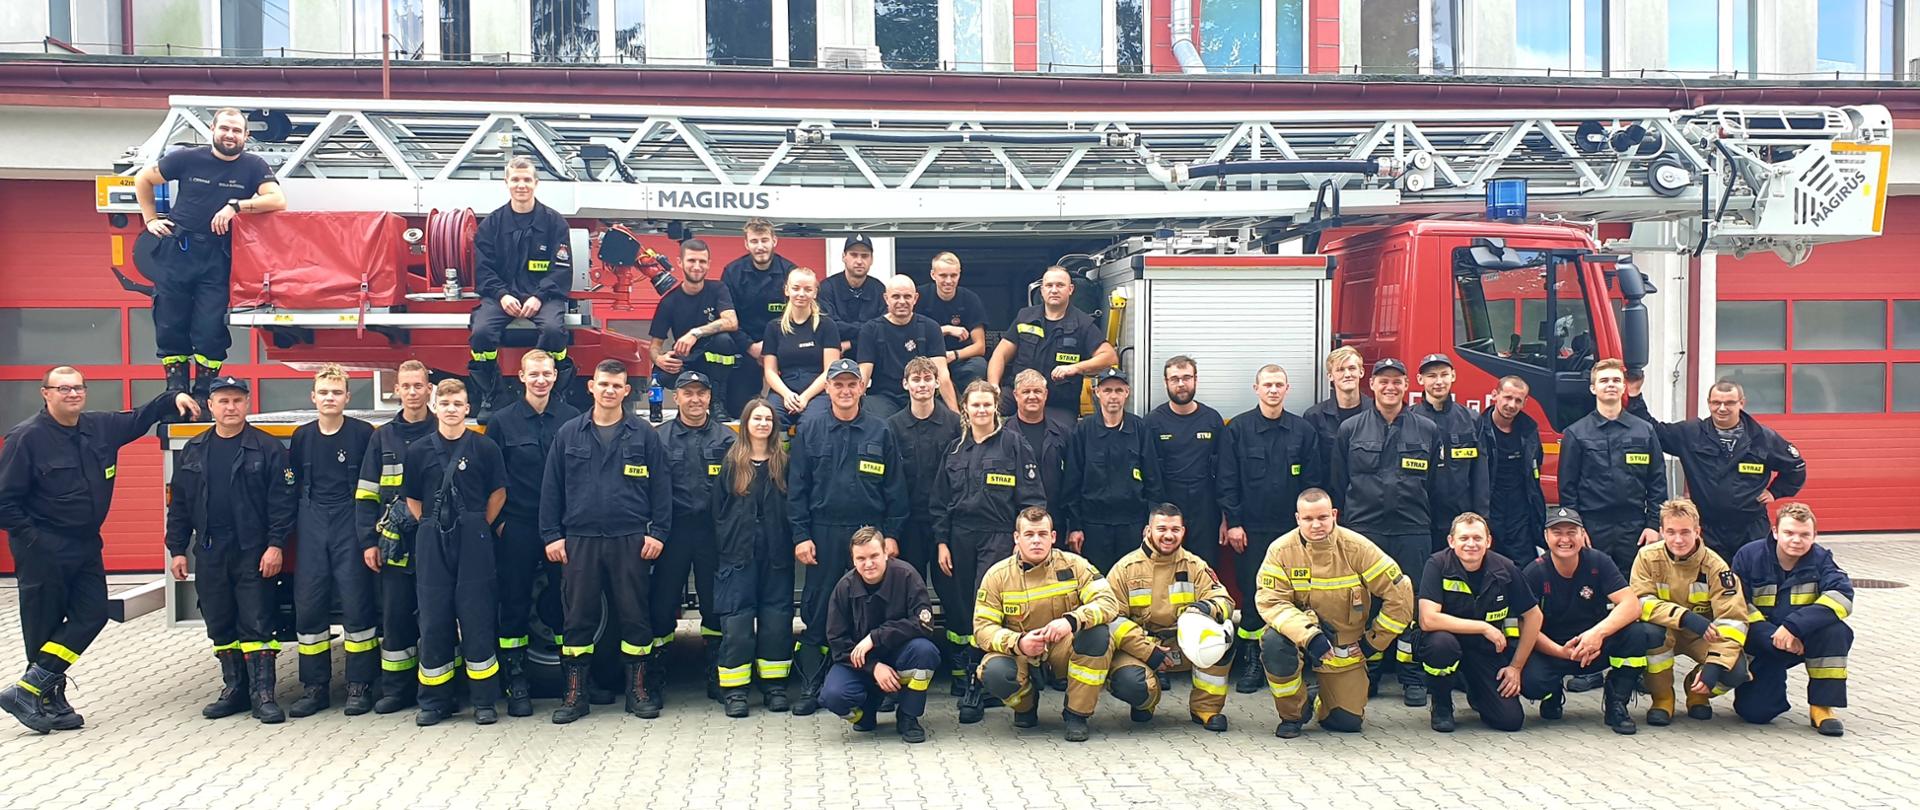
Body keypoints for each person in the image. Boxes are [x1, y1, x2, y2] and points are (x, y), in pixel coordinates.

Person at [0, 367, 196, 733]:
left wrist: (172, 398)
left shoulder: (99, 428)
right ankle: (49, 701)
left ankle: (27, 690)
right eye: (63, 388)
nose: (72, 394)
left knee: (91, 615)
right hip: (42, 548)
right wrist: (36, 541)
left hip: (86, 543)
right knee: (43, 626)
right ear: (46, 393)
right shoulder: (26, 439)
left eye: (78, 388)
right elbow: (5, 502)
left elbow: (140, 417)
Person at [540, 360, 674, 724]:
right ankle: (574, 695)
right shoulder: (569, 433)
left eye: (617, 385)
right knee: (577, 618)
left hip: (629, 539)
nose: (610, 390)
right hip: (580, 540)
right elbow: (551, 488)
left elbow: (662, 489)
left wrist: (658, 533)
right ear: (591, 387)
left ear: (626, 391)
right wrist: (552, 536)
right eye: (604, 384)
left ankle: (639, 691)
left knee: (635, 616)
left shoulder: (644, 434)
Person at [163, 376, 297, 725]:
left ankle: (263, 696)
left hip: (252, 548)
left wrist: (275, 546)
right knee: (220, 622)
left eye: (237, 400)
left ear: (248, 404)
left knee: (257, 621)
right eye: (223, 401)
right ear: (210, 405)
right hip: (211, 549)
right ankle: (233, 689)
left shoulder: (267, 448)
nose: (230, 407)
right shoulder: (194, 449)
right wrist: (177, 550)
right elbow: (180, 505)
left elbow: (282, 504)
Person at [133, 106, 286, 401]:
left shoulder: (253, 165)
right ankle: (175, 391)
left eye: (237, 130)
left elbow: (277, 200)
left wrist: (236, 206)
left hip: (218, 256)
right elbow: (143, 179)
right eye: (225, 128)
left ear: (246, 136)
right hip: (178, 249)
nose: (230, 135)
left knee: (209, 327)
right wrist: (150, 219)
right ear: (213, 130)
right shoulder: (185, 158)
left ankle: (204, 394)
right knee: (169, 321)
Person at [787, 358, 908, 716]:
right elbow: (798, 488)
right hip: (824, 531)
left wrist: (892, 534)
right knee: (820, 608)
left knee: (875, 610)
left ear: (862, 388)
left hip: (868, 533)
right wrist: (801, 535)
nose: (844, 390)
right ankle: (813, 682)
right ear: (827, 389)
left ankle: (879, 686)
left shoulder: (880, 430)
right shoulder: (810, 429)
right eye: (837, 384)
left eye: (851, 384)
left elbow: (895, 488)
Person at [1254, 489, 1414, 738]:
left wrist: (1373, 643)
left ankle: (1321, 699)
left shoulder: (1357, 548)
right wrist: (1309, 636)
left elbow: (1400, 593)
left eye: (1322, 517)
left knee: (1345, 722)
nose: (1316, 525)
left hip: (1343, 646)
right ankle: (1293, 713)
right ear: (1297, 518)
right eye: (1308, 519)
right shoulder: (1280, 551)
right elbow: (1271, 601)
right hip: (1298, 638)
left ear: (1334, 515)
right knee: (1274, 642)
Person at [931, 381, 1046, 722]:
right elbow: (938, 503)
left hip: (999, 538)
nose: (980, 410)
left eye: (986, 405)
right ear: (964, 409)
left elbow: (1032, 499)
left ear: (995, 407)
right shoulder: (954, 451)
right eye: (974, 405)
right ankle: (971, 675)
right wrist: (941, 542)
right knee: (965, 609)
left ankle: (986, 684)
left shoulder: (1014, 445)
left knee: (991, 609)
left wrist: (1021, 541)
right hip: (960, 538)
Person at [1330, 357, 1442, 706]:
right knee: (1365, 605)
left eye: (1397, 381)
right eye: (1383, 381)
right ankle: (1370, 670)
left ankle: (1410, 673)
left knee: (1408, 605)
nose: (1390, 387)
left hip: (1412, 528)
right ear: (1372, 385)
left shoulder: (1426, 430)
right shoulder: (1350, 429)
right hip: (1365, 530)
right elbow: (1338, 481)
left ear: (1407, 385)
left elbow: (1434, 486)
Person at [482, 349, 579, 718]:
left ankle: (572, 680)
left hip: (562, 528)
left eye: (547, 374)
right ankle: (516, 680)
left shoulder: (572, 420)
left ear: (556, 377)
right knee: (514, 604)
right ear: (520, 377)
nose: (540, 380)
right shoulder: (501, 422)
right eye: (533, 374)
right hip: (518, 526)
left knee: (564, 604)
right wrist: (501, 522)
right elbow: (492, 479)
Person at [404, 379, 507, 726]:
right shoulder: (418, 451)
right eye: (444, 403)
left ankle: (484, 701)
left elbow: (498, 494)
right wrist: (431, 526)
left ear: (468, 408)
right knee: (433, 620)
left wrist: (478, 525)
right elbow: (413, 499)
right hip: (432, 538)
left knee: (477, 618)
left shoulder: (485, 447)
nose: (451, 409)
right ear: (435, 408)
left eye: (457, 403)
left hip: (474, 539)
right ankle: (435, 702)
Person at [973, 506, 1120, 742]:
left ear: (1053, 537)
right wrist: (1019, 643)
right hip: (1021, 653)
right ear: (1016, 538)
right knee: (994, 672)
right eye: (1029, 534)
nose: (1036, 541)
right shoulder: (997, 575)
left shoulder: (1075, 565)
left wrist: (1071, 621)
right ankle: (1026, 707)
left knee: (1098, 635)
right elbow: (983, 629)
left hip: (1063, 647)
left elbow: (1108, 602)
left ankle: (1076, 714)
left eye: (1042, 534)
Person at [1216, 363, 1321, 693]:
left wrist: (1309, 528)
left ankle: (1293, 660)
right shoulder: (1239, 430)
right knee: (1253, 596)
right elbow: (1227, 479)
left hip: (1293, 534)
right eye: (1267, 385)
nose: (1273, 390)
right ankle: (1252, 662)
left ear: (1287, 389)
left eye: (1279, 385)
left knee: (1299, 596)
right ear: (1256, 389)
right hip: (1252, 531)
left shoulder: (1303, 431)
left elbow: (1312, 483)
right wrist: (1233, 523)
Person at [1519, 506, 1663, 735]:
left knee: (1639, 634)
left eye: (1571, 532)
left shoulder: (1598, 562)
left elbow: (1631, 605)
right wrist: (1559, 652)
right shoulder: (1534, 572)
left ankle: (1617, 702)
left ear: (1582, 534)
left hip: (1595, 647)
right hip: (1555, 650)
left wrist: (1598, 634)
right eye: (1557, 532)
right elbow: (1525, 628)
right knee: (1531, 682)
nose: (1565, 539)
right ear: (1546, 537)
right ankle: (1553, 693)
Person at [287, 365, 378, 718]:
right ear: (313, 397)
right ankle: (315, 687)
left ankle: (359, 685)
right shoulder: (301, 437)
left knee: (357, 604)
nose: (329, 398)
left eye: (336, 392)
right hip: (311, 524)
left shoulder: (363, 434)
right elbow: (292, 484)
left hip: (349, 523)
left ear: (347, 397)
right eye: (323, 392)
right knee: (309, 606)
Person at [1105, 504, 1236, 731]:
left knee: (1222, 638)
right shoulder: (1125, 569)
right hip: (1142, 646)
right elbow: (1111, 619)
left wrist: (1203, 609)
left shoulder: (1195, 565)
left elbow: (1225, 601)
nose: (1168, 535)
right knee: (1131, 684)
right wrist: (1148, 650)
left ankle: (1206, 708)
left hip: (1184, 643)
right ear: (1148, 531)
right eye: (1162, 528)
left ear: (1183, 532)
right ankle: (1145, 702)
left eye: (1175, 529)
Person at [354, 360, 436, 714]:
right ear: (397, 390)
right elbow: (366, 494)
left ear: (429, 389)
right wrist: (368, 542)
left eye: (419, 385)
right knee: (396, 617)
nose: (414, 392)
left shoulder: (444, 430)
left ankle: (441, 689)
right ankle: (396, 691)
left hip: (435, 542)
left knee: (438, 617)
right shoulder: (381, 437)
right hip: (395, 543)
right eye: (407, 386)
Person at [1730, 502, 1853, 736]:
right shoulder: (1749, 556)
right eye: (1789, 533)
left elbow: (1842, 597)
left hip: (1802, 639)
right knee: (1755, 713)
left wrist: (1793, 627)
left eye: (1804, 534)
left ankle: (1822, 707)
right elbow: (1737, 605)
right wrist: (1774, 637)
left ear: (1815, 536)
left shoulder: (1822, 559)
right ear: (1775, 532)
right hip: (1762, 643)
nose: (1796, 540)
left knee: (1836, 631)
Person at [1648, 380, 1807, 560]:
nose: (1722, 408)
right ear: (1709, 403)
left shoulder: (1762, 437)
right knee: (1710, 582)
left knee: (1754, 582)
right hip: (1708, 529)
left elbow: (1796, 467)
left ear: (1742, 403)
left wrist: (1774, 492)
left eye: (1729, 403)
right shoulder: (1691, 434)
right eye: (1716, 403)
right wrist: (1634, 394)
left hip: (1751, 528)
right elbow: (1652, 430)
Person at [467, 157, 575, 419]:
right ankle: (492, 394)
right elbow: (483, 269)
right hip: (500, 297)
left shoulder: (554, 223)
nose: (521, 185)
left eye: (527, 179)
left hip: (544, 297)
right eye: (516, 179)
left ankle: (555, 394)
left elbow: (561, 268)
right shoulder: (491, 225)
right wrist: (502, 295)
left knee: (553, 331)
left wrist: (539, 297)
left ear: (536, 183)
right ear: (507, 182)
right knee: (480, 333)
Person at [652, 371, 737, 706]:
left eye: (701, 393)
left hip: (711, 533)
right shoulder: (658, 438)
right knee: (661, 604)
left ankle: (716, 674)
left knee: (714, 605)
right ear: (677, 398)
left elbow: (736, 490)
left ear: (709, 398)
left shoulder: (726, 439)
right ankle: (656, 675)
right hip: (672, 532)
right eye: (688, 393)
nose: (695, 399)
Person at [1415, 512, 1541, 733]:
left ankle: (1476, 691)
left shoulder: (1505, 569)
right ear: (1451, 541)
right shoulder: (1437, 565)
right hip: (1446, 645)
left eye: (1477, 538)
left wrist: (1516, 667)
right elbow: (1428, 619)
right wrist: (1484, 627)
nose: (1471, 544)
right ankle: (1442, 704)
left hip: (1483, 653)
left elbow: (1534, 616)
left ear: (1489, 541)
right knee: (1441, 645)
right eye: (1464, 538)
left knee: (1510, 721)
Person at [709, 399, 796, 717]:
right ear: (745, 423)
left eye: (768, 419)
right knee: (737, 625)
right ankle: (735, 692)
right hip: (737, 557)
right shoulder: (732, 462)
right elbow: (717, 511)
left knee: (776, 623)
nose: (762, 424)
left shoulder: (784, 463)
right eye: (756, 418)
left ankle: (774, 687)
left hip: (776, 556)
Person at [1631, 498, 1752, 727]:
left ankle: (1697, 692)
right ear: (1661, 532)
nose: (1678, 539)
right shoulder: (1646, 557)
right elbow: (1641, 602)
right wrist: (1685, 617)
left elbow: (1733, 619)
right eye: (1671, 532)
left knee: (1735, 671)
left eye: (1685, 532)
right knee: (1649, 635)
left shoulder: (1716, 566)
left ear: (1698, 531)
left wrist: (1714, 667)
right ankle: (1663, 699)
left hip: (1704, 636)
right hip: (1666, 631)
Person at [820, 527, 941, 744]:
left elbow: (924, 623)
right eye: (861, 558)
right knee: (833, 696)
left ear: (886, 552)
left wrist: (876, 637)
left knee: (925, 651)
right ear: (853, 560)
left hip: (900, 656)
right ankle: (865, 711)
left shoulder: (907, 576)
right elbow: (837, 643)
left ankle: (908, 715)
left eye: (874, 555)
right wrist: (873, 667)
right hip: (861, 665)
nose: (868, 564)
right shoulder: (844, 588)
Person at [1559, 359, 1668, 574]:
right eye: (1604, 380)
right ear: (1593, 388)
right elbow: (1567, 488)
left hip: (1635, 529)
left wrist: (1653, 525)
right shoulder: (1576, 433)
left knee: (1636, 590)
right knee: (1592, 589)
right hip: (1592, 527)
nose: (1611, 384)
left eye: (1616, 380)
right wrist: (1575, 529)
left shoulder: (1644, 431)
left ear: (1624, 386)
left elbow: (1657, 482)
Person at [1061, 368, 1161, 574]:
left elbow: (1153, 480)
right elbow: (1072, 480)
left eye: (1118, 390)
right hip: (1093, 526)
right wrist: (1075, 526)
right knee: (1098, 585)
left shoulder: (1140, 429)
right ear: (1097, 392)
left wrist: (1152, 523)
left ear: (1127, 392)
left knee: (1134, 584)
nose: (1113, 396)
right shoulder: (1083, 430)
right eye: (1107, 390)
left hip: (1133, 525)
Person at [987, 266, 1116, 423]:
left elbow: (1109, 357)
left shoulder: (1083, 324)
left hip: (1058, 402)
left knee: (1060, 436)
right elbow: (1000, 354)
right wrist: (993, 386)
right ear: (1042, 290)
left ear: (1070, 289)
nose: (1054, 290)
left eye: (1060, 285)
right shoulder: (1025, 317)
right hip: (1019, 394)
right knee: (985, 410)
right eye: (1049, 285)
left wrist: (1075, 368)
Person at [887, 357, 963, 585]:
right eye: (916, 379)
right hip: (909, 524)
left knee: (954, 596)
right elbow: (889, 481)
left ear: (938, 383)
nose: (922, 385)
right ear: (905, 384)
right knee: (908, 593)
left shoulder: (955, 424)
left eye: (928, 379)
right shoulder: (891, 427)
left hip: (948, 523)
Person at [649, 238, 742, 420]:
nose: (697, 266)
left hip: (714, 360)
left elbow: (731, 321)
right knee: (661, 375)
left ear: (709, 264)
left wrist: (694, 333)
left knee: (724, 341)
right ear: (680, 262)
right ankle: (685, 409)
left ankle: (717, 403)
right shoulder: (669, 301)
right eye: (692, 260)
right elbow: (654, 346)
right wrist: (659, 359)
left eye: (702, 261)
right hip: (686, 360)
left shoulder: (718, 289)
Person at [1146, 356, 1224, 572]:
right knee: (1167, 569)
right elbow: (1149, 473)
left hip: (1205, 508)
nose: (1181, 384)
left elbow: (1226, 471)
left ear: (1195, 380)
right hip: (1167, 506)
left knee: (1205, 568)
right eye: (1175, 379)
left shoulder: (1212, 419)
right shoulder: (1153, 422)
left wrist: (1226, 517)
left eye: (1186, 378)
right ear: (1166, 383)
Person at [1413, 354, 1489, 552]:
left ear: (1453, 376)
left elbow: (1481, 474)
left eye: (1444, 375)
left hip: (1460, 521)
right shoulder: (1409, 420)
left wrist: (1481, 518)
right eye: (1431, 376)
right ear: (1420, 379)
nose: (1439, 381)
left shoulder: (1471, 419)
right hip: (1421, 520)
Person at [857, 275, 955, 418]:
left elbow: (942, 373)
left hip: (922, 394)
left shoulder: (930, 327)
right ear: (886, 298)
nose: (902, 301)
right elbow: (864, 374)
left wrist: (955, 414)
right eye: (896, 296)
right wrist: (852, 408)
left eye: (907, 296)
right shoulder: (870, 329)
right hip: (884, 397)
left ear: (915, 298)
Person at [761, 267, 841, 429]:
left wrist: (805, 397)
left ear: (815, 293)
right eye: (796, 288)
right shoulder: (773, 327)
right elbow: (769, 371)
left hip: (818, 391)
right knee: (771, 418)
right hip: (783, 390)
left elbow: (830, 371)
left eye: (808, 289)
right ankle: (778, 455)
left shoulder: (827, 326)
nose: (801, 294)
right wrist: (787, 395)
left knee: (812, 422)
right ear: (787, 290)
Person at [1481, 376, 1546, 561]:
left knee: (1524, 569)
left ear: (1525, 402)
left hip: (1521, 514)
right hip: (1490, 511)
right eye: (1507, 397)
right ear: (1495, 395)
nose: (1511, 405)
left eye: (1518, 400)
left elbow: (1535, 472)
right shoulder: (1478, 430)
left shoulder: (1529, 431)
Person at [722, 217, 798, 366]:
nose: (760, 246)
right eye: (754, 241)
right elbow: (727, 316)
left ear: (774, 241)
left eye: (764, 240)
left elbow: (798, 315)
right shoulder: (732, 272)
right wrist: (750, 346)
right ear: (746, 244)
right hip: (745, 346)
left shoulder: (791, 272)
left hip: (783, 344)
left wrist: (773, 347)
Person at [916, 251, 990, 391]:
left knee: (979, 366)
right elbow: (909, 334)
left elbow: (980, 347)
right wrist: (945, 329)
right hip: (925, 359)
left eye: (953, 275)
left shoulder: (970, 299)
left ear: (959, 274)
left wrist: (954, 355)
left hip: (959, 359)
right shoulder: (918, 297)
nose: (949, 281)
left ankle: (969, 407)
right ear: (933, 275)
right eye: (943, 275)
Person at [1008, 369, 1071, 520]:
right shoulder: (1003, 435)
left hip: (1056, 517)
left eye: (1037, 391)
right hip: (1015, 520)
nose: (1032, 396)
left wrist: (1074, 523)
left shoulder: (1063, 433)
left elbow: (1073, 480)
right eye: (1026, 392)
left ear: (1046, 394)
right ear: (1016, 395)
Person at [1300, 347, 1371, 478]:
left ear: (1361, 372)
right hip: (1329, 495)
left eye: (1352, 368)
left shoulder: (1376, 412)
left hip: (1367, 496)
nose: (1347, 374)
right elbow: (1310, 465)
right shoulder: (1314, 417)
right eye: (1340, 370)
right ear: (1330, 376)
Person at [819, 234, 885, 356]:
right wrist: (867, 329)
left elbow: (883, 330)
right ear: (844, 257)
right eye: (854, 255)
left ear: (872, 259)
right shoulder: (827, 288)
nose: (859, 261)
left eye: (865, 256)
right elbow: (829, 326)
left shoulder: (879, 289)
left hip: (872, 355)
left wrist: (850, 343)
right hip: (834, 353)